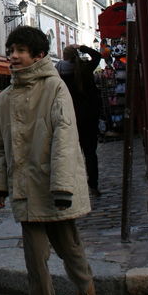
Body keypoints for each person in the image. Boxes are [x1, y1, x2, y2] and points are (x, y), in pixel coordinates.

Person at [0, 26, 95, 295]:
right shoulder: (3, 98)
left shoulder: (55, 88)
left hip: (53, 186)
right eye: (11, 50)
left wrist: (62, 187)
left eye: (20, 50)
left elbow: (65, 139)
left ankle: (84, 282)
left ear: (37, 55)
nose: (13, 56)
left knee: (68, 246)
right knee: (35, 260)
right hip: (24, 188)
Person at [55, 44, 103, 196]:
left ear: (64, 56)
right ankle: (93, 185)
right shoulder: (85, 69)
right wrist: (83, 47)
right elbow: (97, 56)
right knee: (90, 153)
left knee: (71, 153)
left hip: (69, 117)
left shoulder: (58, 73)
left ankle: (73, 186)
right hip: (89, 117)